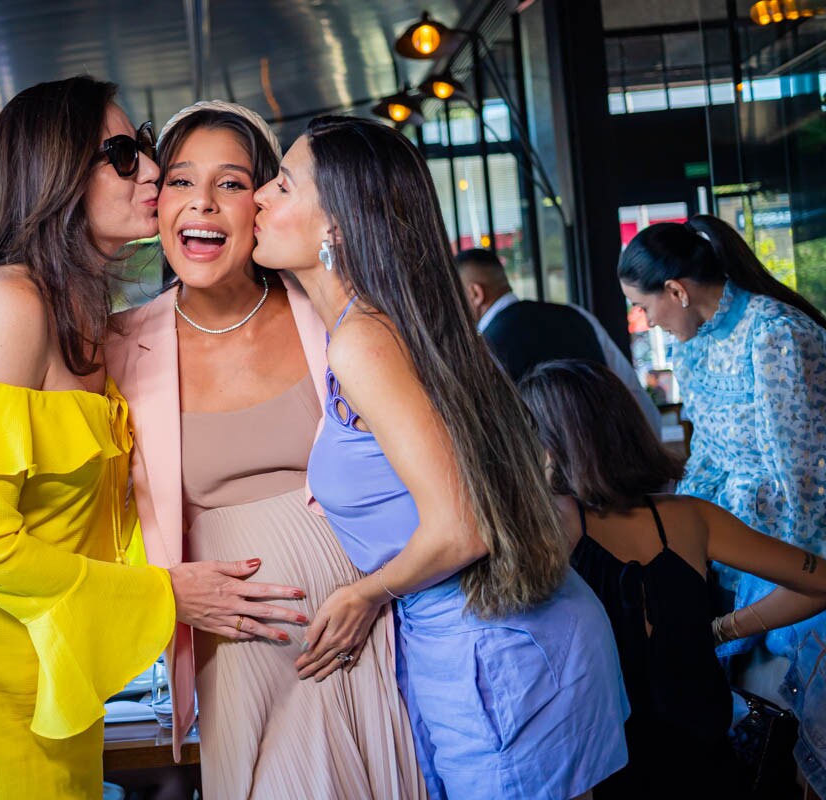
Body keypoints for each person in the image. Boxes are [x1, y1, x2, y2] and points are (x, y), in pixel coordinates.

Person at [0, 101, 426, 799]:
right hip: (238, 657)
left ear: (266, 202)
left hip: (371, 632)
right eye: (179, 181)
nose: (201, 203)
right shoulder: (110, 345)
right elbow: (38, 463)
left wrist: (375, 595)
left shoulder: (332, 317)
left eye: (233, 184)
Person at [0, 78, 304, 800]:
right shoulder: (8, 300)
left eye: (147, 145)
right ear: (54, 172)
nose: (153, 171)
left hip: (41, 659)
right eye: (123, 154)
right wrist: (167, 596)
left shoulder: (89, 314)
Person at [252, 115, 629, 800]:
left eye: (279, 184)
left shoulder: (364, 341)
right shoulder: (391, 321)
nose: (257, 198)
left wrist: (366, 593)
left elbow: (464, 527)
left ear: (335, 225)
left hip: (492, 652)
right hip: (517, 638)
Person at [519, 358, 826, 799]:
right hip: (708, 766)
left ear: (548, 444)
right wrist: (722, 629)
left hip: (611, 771)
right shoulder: (691, 518)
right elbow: (818, 582)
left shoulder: (551, 529)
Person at [619, 215, 826, 796]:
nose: (647, 319)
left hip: (792, 545)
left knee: (798, 707)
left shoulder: (773, 334)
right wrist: (682, 540)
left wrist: (784, 568)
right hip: (733, 546)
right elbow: (705, 457)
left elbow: (804, 473)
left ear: (677, 291)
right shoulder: (690, 351)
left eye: (646, 305)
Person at [457, 247, 662, 434]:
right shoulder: (577, 316)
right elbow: (634, 395)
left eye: (456, 297)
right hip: (613, 460)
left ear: (475, 293)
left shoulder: (483, 348)